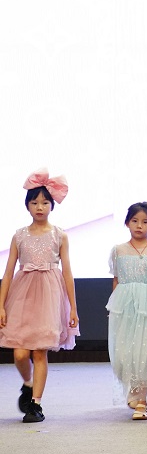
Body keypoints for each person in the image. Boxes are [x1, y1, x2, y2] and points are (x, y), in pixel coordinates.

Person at [0, 169, 79, 423]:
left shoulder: (59, 235)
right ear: (27, 206)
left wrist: (73, 308)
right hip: (22, 296)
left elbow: (67, 272)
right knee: (20, 354)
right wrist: (1, 305)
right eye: (34, 203)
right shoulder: (19, 235)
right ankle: (28, 383)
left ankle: (36, 404)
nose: (40, 207)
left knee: (39, 352)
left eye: (45, 202)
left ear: (52, 205)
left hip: (49, 295)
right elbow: (8, 273)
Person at [107, 202, 147, 420]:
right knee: (123, 353)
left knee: (144, 352)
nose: (139, 225)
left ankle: (142, 401)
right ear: (127, 223)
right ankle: (134, 392)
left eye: (145, 222)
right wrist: (115, 307)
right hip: (124, 305)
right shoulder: (118, 250)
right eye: (134, 221)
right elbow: (117, 280)